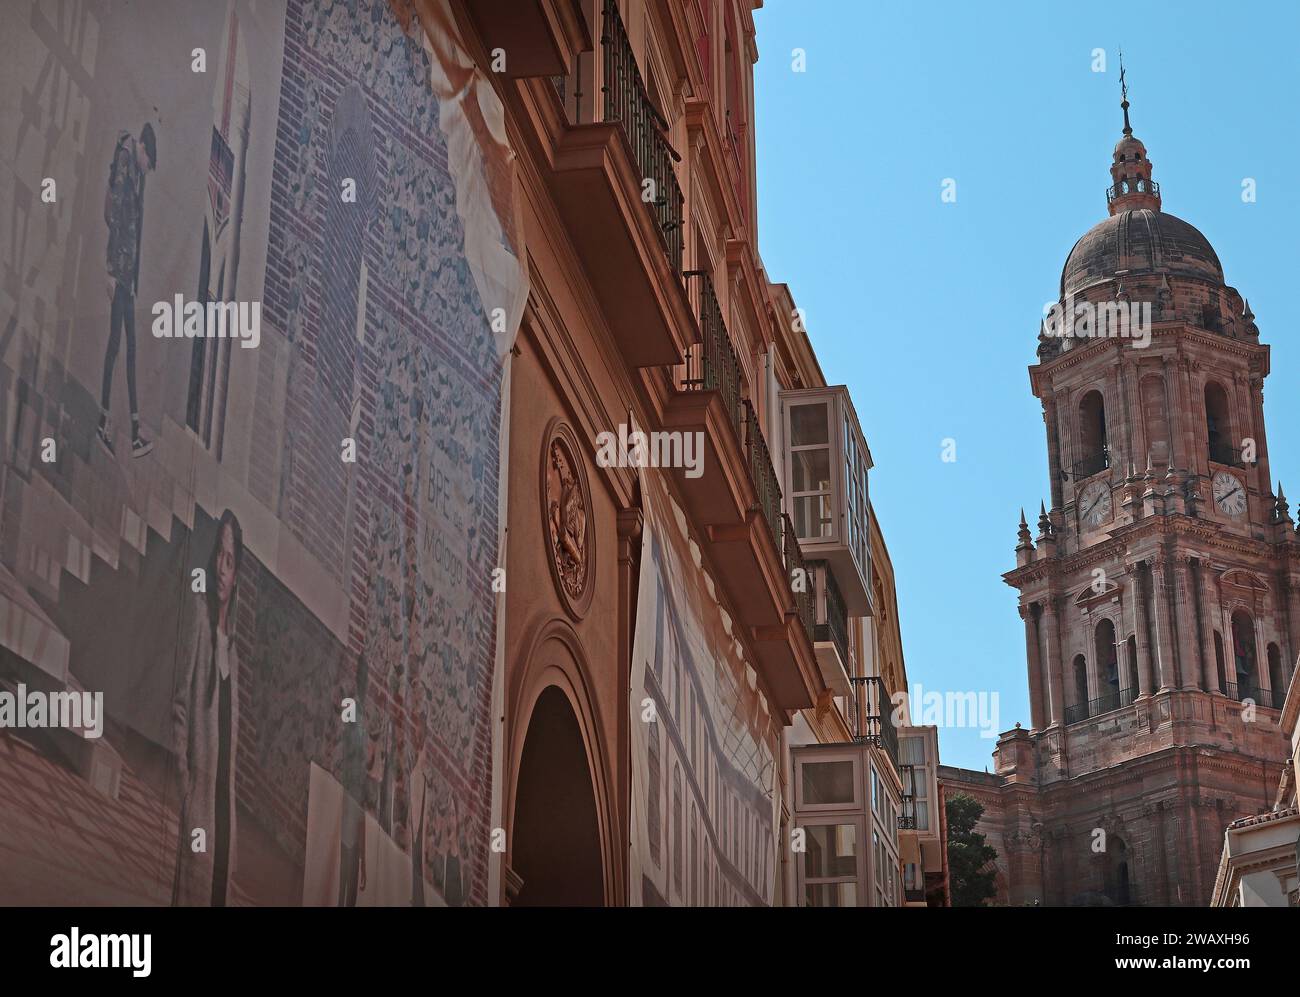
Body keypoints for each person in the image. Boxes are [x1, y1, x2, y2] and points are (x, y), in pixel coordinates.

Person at [172, 510, 243, 906]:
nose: (221, 567)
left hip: (222, 827)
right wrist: (186, 795)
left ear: (236, 577)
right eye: (219, 553)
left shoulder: (233, 651)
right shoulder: (198, 620)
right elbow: (179, 708)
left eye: (230, 561)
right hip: (198, 814)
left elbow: (230, 759)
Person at [98, 122, 156, 459]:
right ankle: (107, 422)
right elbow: (117, 216)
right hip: (117, 271)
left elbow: (136, 226)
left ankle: (132, 430)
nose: (148, 170)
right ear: (142, 150)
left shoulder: (138, 172)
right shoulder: (125, 161)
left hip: (127, 275)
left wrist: (133, 279)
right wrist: (110, 270)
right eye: (148, 162)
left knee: (126, 345)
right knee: (116, 346)